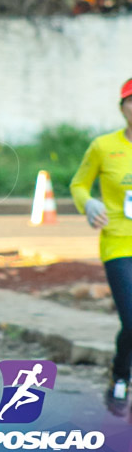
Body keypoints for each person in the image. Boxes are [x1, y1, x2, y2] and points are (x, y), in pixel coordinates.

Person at [71, 76, 132, 415]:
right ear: (122, 107)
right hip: (119, 246)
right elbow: (78, 184)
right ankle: (120, 377)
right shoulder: (103, 146)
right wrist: (89, 204)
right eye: (131, 101)